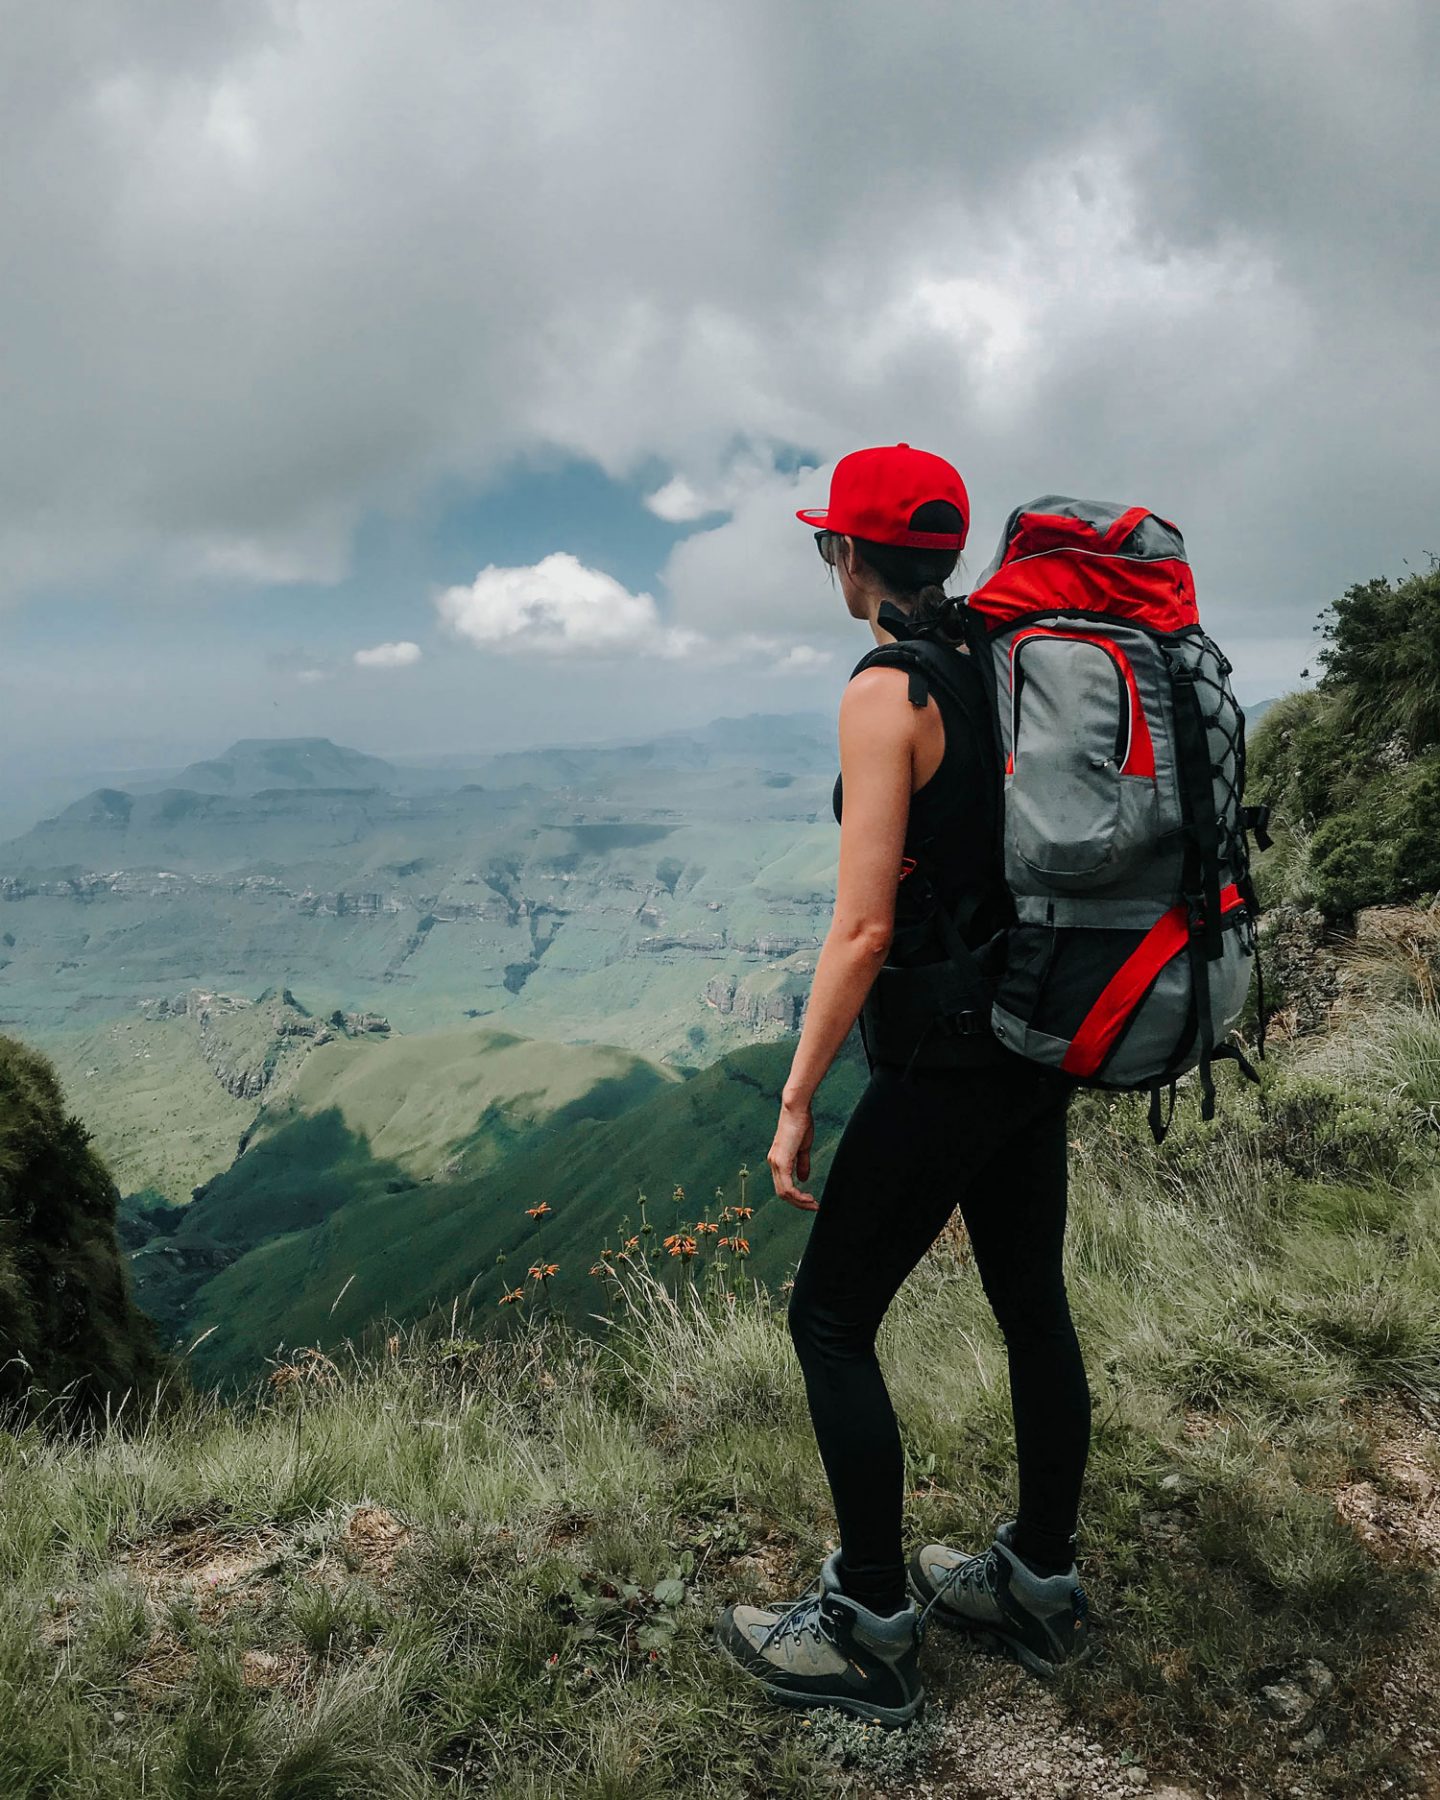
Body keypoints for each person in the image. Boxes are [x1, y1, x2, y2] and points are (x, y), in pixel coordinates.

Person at [714, 444, 1092, 1726]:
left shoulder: (887, 690)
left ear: (852, 555)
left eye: (830, 542)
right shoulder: (1006, 659)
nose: (832, 560)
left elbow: (864, 930)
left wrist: (797, 1094)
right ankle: (1041, 1579)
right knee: (1031, 1303)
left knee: (827, 1321)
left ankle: (870, 1622)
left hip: (945, 1058)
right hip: (1038, 1042)